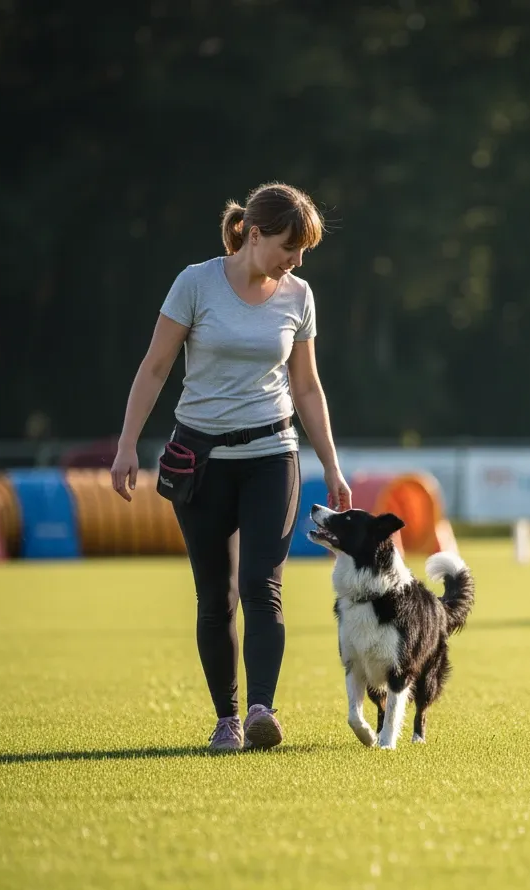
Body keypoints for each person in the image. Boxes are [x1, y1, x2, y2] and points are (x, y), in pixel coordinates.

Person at [110, 182, 352, 752]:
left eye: (304, 251)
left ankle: (264, 710)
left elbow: (308, 387)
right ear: (255, 234)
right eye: (290, 247)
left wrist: (333, 467)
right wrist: (126, 446)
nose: (296, 260)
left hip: (272, 455)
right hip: (201, 461)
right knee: (215, 595)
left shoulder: (300, 295)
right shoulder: (195, 283)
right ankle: (228, 719)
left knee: (261, 584)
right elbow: (155, 367)